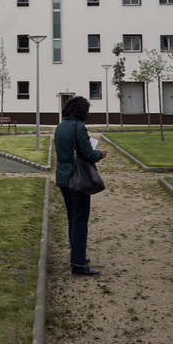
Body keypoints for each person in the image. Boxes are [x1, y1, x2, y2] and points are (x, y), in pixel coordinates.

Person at [54, 95, 107, 275]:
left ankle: (76, 255)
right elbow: (87, 154)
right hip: (78, 177)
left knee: (72, 218)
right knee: (80, 220)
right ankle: (78, 263)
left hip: (63, 177)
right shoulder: (79, 127)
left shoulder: (60, 127)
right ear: (81, 111)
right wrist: (99, 154)